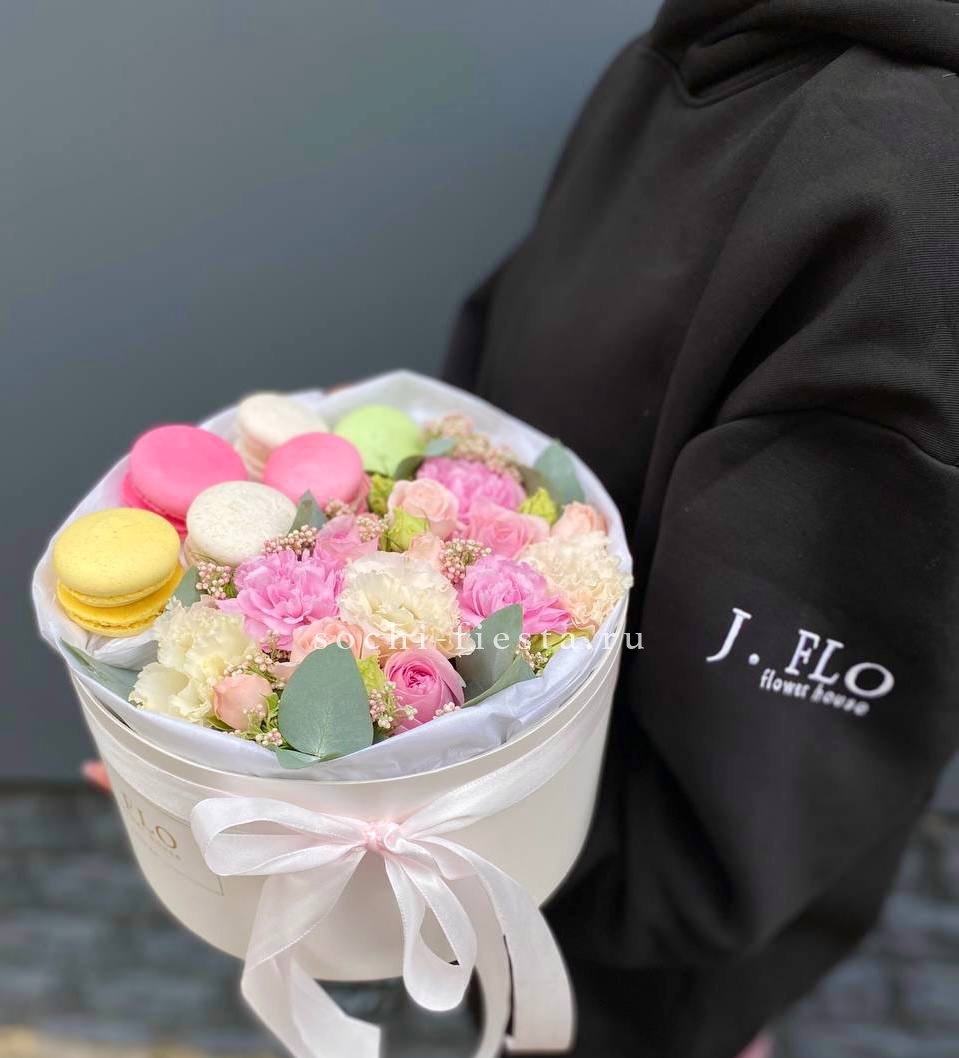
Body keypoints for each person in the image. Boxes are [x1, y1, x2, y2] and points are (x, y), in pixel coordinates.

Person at [443, 1, 959, 1055]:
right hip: (515, 875)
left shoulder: (910, 205)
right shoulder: (697, 49)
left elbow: (722, 844)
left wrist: (397, 818)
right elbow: (500, 387)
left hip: (623, 970)